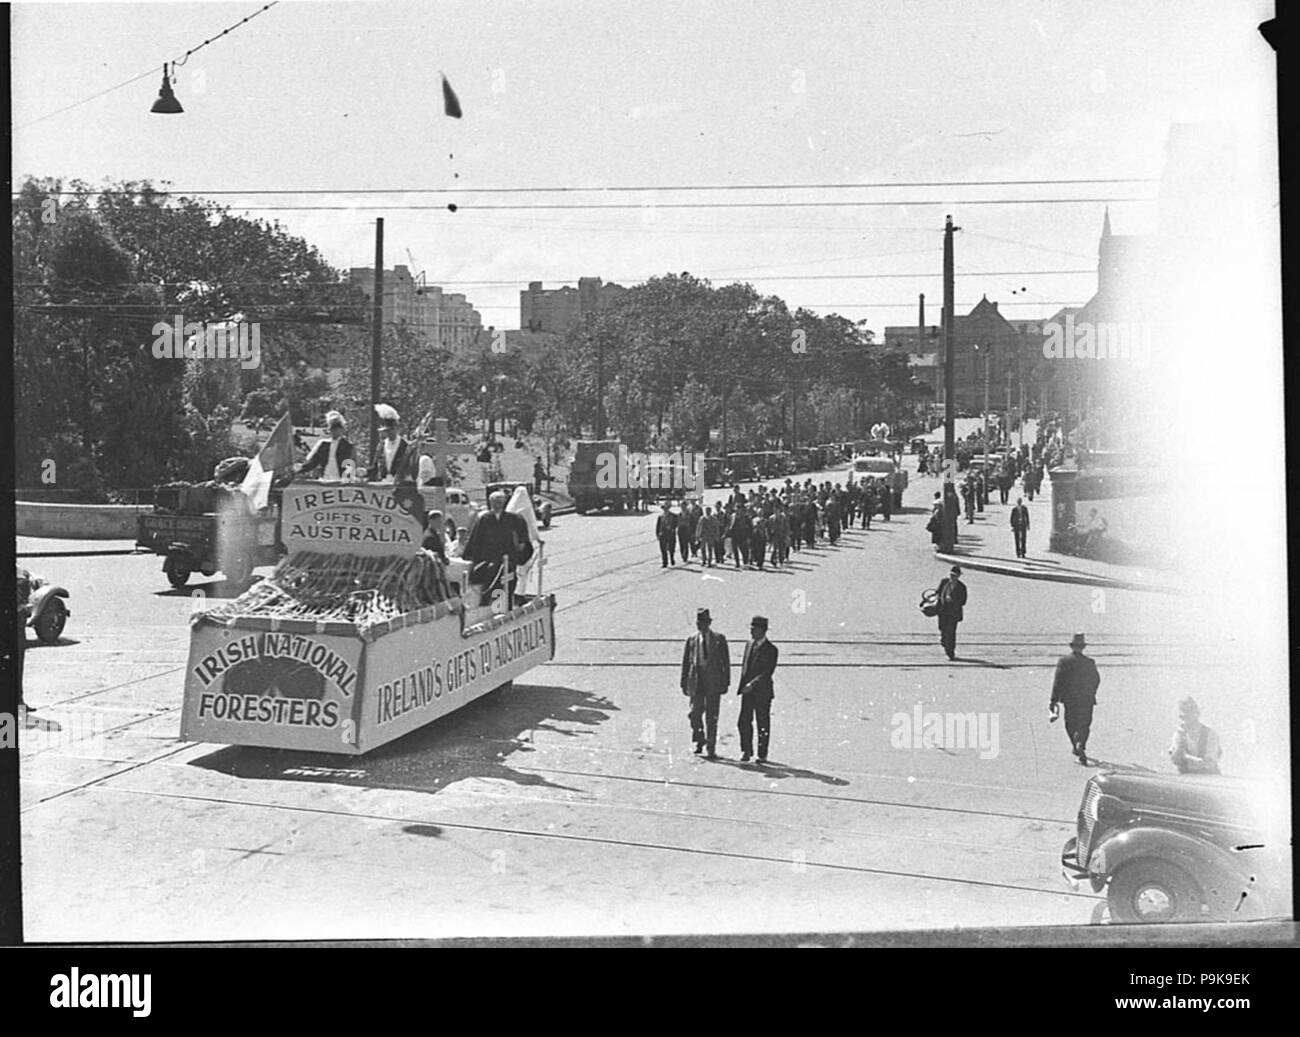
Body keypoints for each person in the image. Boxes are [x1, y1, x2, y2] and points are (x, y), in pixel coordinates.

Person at [464, 489, 533, 608]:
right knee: (494, 586)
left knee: (509, 584)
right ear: (490, 503)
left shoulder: (513, 518)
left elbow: (522, 537)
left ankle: (507, 608)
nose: (497, 505)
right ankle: (496, 609)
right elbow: (476, 540)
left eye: (500, 502)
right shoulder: (484, 519)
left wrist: (520, 552)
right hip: (490, 560)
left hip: (508, 559)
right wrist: (472, 557)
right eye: (495, 502)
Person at [680, 608, 731, 759]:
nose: (700, 625)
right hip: (697, 682)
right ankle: (699, 739)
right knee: (694, 714)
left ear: (709, 623)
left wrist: (726, 682)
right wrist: (683, 683)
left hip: (714, 683)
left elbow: (725, 662)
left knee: (712, 717)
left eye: (703, 622)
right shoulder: (692, 640)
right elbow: (686, 663)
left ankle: (711, 748)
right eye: (698, 622)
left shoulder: (719, 639)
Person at [1050, 633, 1101, 765]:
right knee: (1084, 723)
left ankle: (1075, 744)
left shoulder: (1064, 661)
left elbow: (1058, 682)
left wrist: (1053, 700)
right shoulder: (1090, 662)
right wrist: (1091, 692)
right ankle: (1081, 744)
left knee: (1070, 723)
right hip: (1086, 698)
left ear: (1072, 647)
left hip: (1070, 699)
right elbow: (1096, 680)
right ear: (1083, 647)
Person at [737, 616, 779, 763]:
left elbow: (767, 672)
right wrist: (743, 686)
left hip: (762, 692)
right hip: (747, 692)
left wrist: (752, 685)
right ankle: (746, 751)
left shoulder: (771, 650)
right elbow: (745, 668)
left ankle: (762, 754)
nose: (751, 631)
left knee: (762, 723)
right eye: (751, 628)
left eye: (754, 629)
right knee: (743, 721)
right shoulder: (749, 645)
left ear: (763, 630)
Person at [1169, 697, 1222, 774]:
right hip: (1184, 779)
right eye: (1182, 717)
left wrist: (1185, 758)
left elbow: (1210, 762)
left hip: (1208, 779)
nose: (1184, 720)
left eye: (1187, 716)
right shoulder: (1179, 734)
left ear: (1196, 714)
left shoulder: (1211, 735)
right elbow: (1176, 760)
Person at [299, 411, 354, 481]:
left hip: (341, 480)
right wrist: (301, 468)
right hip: (325, 478)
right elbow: (314, 461)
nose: (334, 431)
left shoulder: (347, 446)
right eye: (332, 429)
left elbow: (350, 464)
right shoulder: (323, 444)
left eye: (337, 429)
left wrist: (349, 480)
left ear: (342, 429)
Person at [368, 406, 410, 483]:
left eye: (392, 429)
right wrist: (364, 472)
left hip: (400, 484)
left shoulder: (405, 445)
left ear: (397, 428)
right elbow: (375, 467)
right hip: (383, 483)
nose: (390, 433)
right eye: (387, 430)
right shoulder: (381, 445)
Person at [935, 565, 968, 661]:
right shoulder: (944, 582)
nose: (952, 577)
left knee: (951, 632)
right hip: (942, 610)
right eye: (951, 575)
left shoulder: (962, 587)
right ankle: (944, 640)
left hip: (953, 612)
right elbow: (938, 592)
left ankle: (950, 652)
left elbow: (963, 601)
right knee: (942, 628)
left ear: (958, 576)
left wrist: (953, 600)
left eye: (954, 576)